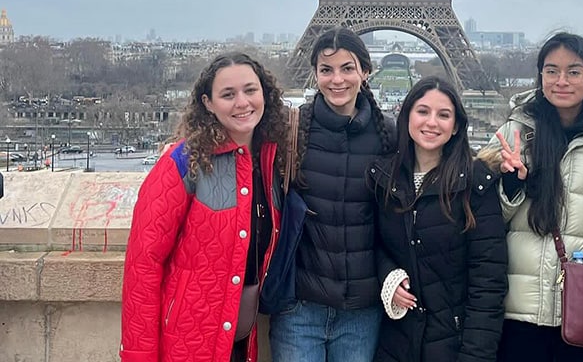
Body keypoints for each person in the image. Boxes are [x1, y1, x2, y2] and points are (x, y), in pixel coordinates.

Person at [120, 52, 289, 362]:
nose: (242, 102)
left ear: (264, 94)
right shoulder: (182, 163)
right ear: (208, 103)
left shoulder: (274, 161)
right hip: (188, 340)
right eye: (228, 94)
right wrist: (138, 355)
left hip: (242, 340)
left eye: (250, 90)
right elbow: (143, 264)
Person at [477, 32, 583, 362]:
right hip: (518, 310)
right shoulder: (512, 135)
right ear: (540, 77)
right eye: (551, 71)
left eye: (573, 71)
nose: (561, 81)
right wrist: (511, 185)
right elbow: (483, 224)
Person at [269, 27, 396, 362]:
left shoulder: (390, 135)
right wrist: (186, 151)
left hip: (362, 311)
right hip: (300, 306)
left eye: (347, 68)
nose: (337, 79)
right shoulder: (290, 129)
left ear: (365, 71)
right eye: (326, 70)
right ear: (315, 74)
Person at [368, 76, 508, 362]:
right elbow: (371, 244)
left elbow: (488, 282)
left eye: (443, 115)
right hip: (396, 344)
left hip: (453, 346)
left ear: (456, 126)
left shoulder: (475, 183)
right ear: (406, 116)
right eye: (423, 111)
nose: (431, 122)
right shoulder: (384, 178)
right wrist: (388, 275)